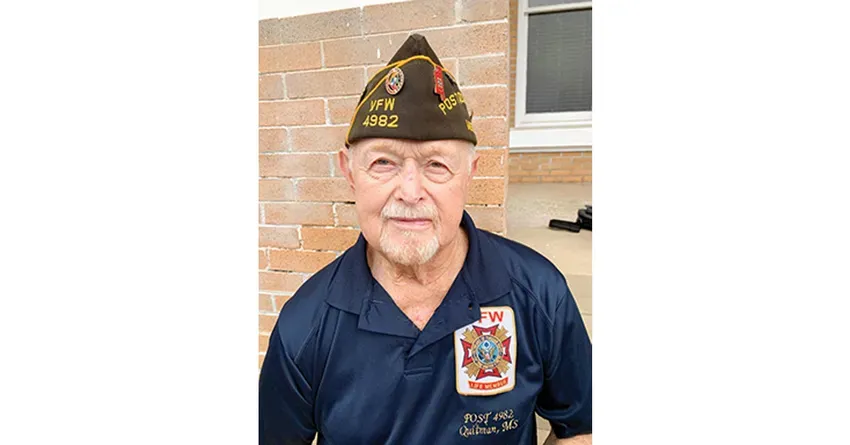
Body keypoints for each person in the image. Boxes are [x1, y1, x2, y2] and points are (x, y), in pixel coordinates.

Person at [259, 34, 592, 445]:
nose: (410, 192)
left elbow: (581, 427)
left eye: (436, 165)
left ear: (470, 172)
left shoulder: (538, 293)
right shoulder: (304, 325)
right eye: (383, 162)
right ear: (349, 171)